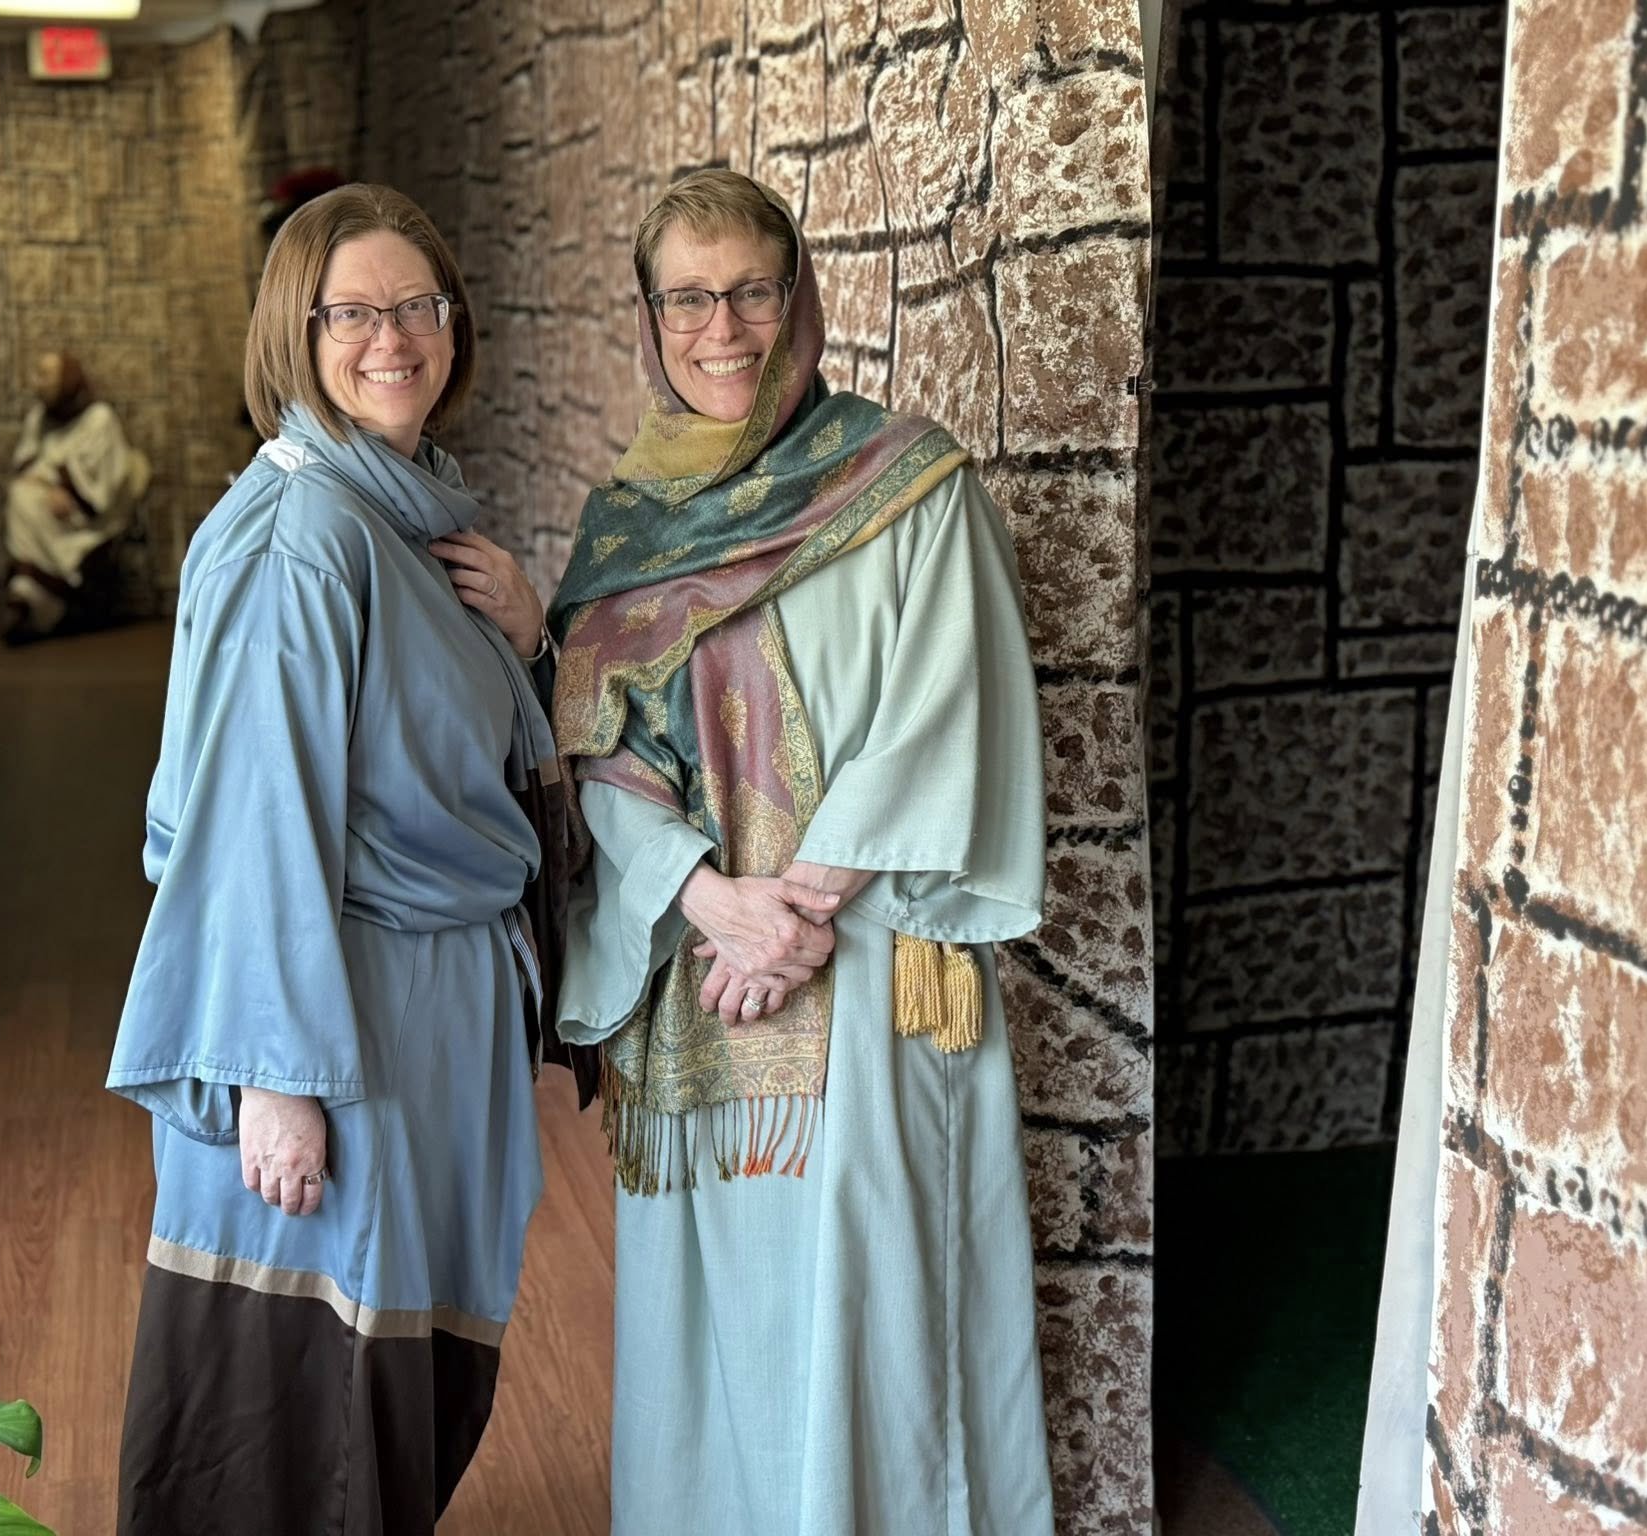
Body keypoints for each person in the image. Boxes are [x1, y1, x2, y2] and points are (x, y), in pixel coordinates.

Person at [550, 169, 1054, 1535]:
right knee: (716, 1314)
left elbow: (942, 708)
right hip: (699, 972)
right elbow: (595, 751)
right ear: (650, 320)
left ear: (802, 296)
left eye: (754, 290)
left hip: (876, 971)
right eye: (690, 298)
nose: (726, 327)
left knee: (878, 1311)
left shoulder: (908, 485)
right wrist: (711, 901)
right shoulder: (624, 528)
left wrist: (802, 914)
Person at [107, 183, 569, 1536]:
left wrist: (529, 634)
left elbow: (456, 742)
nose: (393, 338)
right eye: (352, 313)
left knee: (393, 1372)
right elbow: (257, 815)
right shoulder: (305, 535)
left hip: (423, 1015)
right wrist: (275, 1081)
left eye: (418, 306)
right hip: (336, 1021)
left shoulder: (412, 517)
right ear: (293, 334)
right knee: (297, 1392)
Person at [1, 349, 148, 643]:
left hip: (89, 517)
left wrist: (62, 487)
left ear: (66, 380)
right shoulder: (39, 419)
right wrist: (50, 484)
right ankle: (40, 590)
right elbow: (26, 464)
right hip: (48, 506)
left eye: (45, 375)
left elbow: (103, 481)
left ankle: (38, 593)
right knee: (20, 496)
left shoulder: (99, 419)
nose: (36, 382)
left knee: (26, 500)